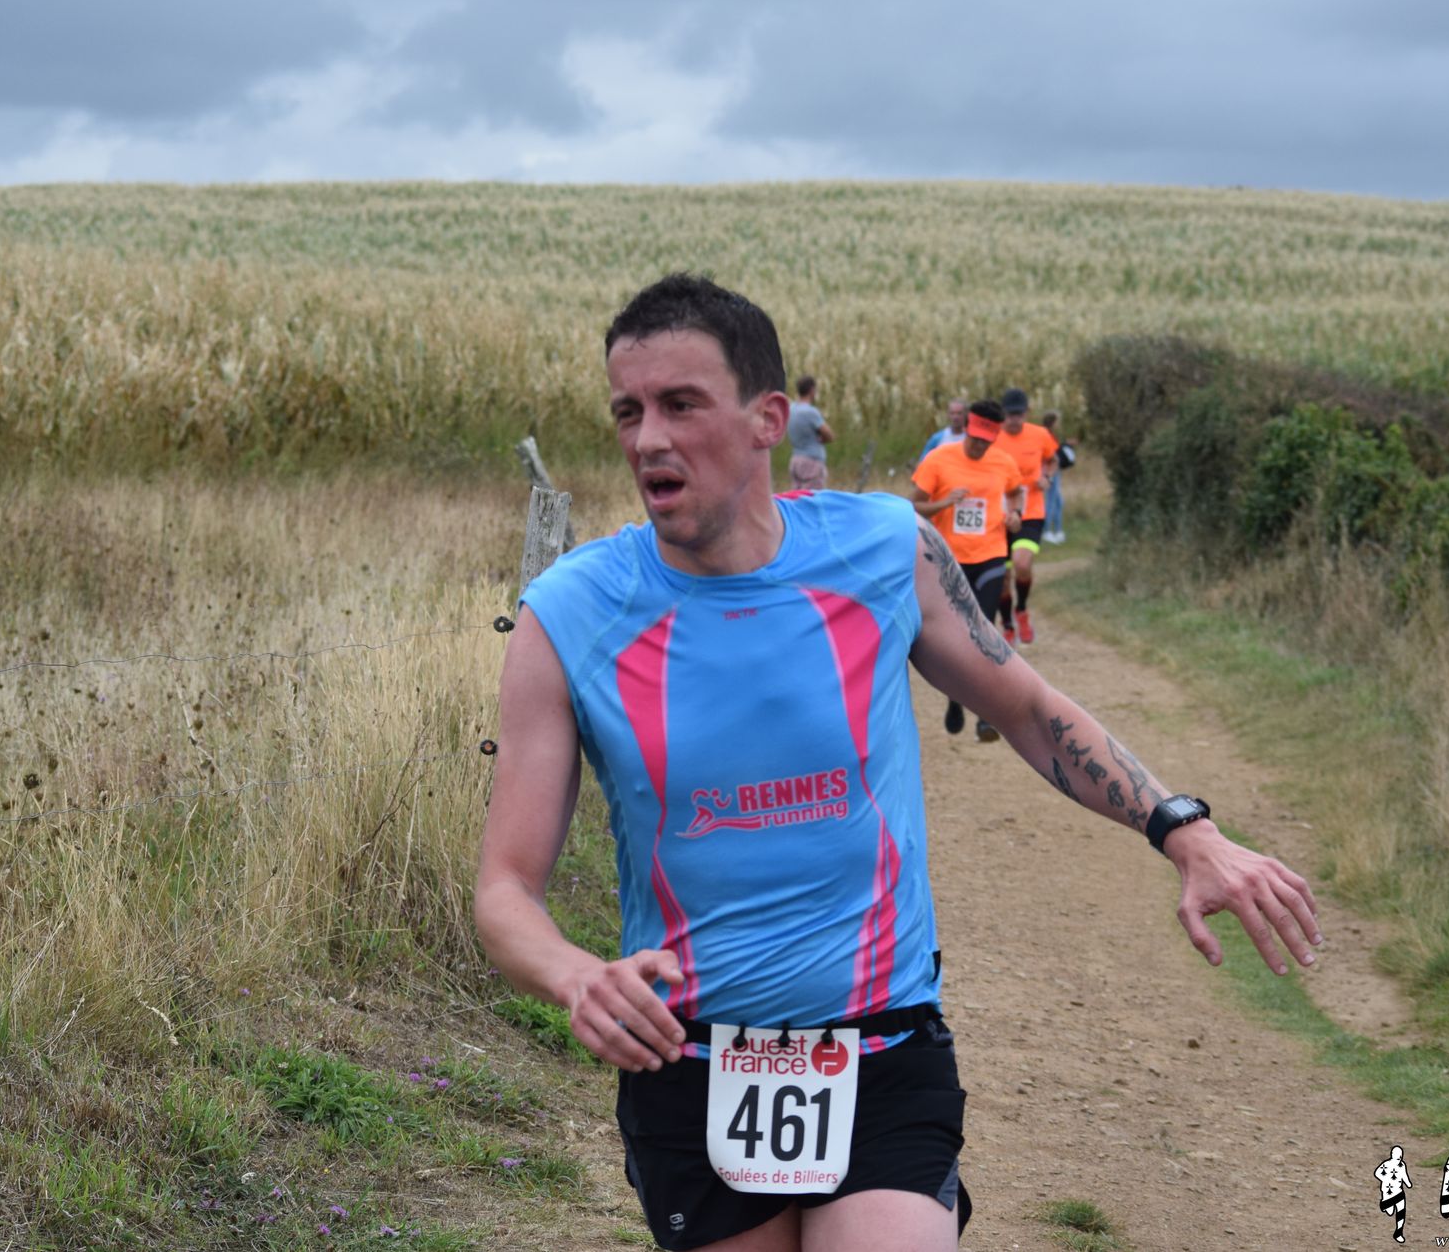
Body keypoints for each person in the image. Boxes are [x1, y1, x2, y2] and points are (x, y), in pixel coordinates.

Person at [475, 274, 1323, 1252]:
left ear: (768, 419)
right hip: (688, 1060)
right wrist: (577, 977)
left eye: (680, 404)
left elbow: (1028, 710)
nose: (647, 439)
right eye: (628, 411)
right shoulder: (569, 612)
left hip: (881, 1045)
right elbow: (505, 889)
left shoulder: (880, 551)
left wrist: (1183, 828)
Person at [910, 399, 1025, 740]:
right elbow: (911, 504)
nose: (979, 446)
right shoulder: (939, 459)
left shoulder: (1004, 462)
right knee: (955, 636)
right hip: (949, 560)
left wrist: (1016, 515)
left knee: (983, 633)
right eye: (975, 439)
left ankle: (985, 717)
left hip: (991, 555)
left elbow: (1016, 492)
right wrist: (943, 503)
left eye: (986, 442)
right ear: (967, 431)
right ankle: (955, 696)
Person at [989, 389, 1058, 646]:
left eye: (1019, 414)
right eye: (1010, 415)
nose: (1014, 420)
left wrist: (1047, 477)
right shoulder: (993, 437)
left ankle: (1022, 610)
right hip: (999, 514)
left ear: (1026, 413)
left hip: (1031, 510)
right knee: (1002, 577)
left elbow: (1052, 459)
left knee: (1022, 562)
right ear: (1003, 414)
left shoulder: (1040, 435)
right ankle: (1007, 624)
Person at [787, 375, 834, 490]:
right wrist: (822, 439)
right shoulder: (811, 412)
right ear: (812, 390)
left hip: (796, 459)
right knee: (813, 497)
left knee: (797, 497)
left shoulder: (791, 409)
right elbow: (829, 434)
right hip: (812, 461)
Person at [1038, 409, 1070, 545]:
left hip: (1053, 470)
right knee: (1051, 501)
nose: (1059, 424)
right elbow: (1049, 455)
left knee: (1058, 501)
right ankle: (1046, 530)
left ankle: (1058, 530)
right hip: (1050, 471)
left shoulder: (1050, 435)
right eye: (1057, 421)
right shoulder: (1046, 435)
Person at [915, 400, 967, 466]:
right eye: (952, 413)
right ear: (948, 415)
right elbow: (923, 461)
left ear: (965, 414)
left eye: (959, 413)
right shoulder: (937, 438)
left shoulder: (971, 439)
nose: (955, 417)